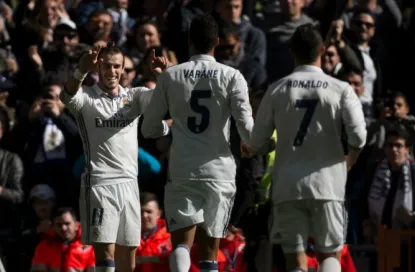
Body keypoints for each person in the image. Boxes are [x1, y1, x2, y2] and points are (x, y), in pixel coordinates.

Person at [140, 13, 254, 272]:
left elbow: (149, 127)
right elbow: (246, 126)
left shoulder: (170, 76)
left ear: (190, 41)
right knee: (209, 253)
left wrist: (169, 129)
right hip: (219, 170)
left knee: (181, 244)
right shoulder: (232, 76)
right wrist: (256, 144)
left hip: (183, 168)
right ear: (216, 41)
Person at [249, 24, 367, 272]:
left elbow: (257, 143)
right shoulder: (341, 89)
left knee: (295, 258)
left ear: (292, 51)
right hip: (328, 183)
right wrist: (350, 159)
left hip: (288, 185)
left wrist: (273, 143)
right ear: (323, 50)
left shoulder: (277, 89)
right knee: (330, 254)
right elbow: (359, 136)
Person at [60, 42, 169, 272]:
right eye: (107, 66)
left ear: (123, 69)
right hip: (100, 183)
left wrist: (163, 76)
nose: (112, 71)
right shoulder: (87, 97)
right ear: (99, 67)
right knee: (105, 255)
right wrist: (80, 70)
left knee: (128, 258)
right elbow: (66, 95)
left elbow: (166, 100)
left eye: (117, 66)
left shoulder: (135, 96)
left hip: (130, 184)